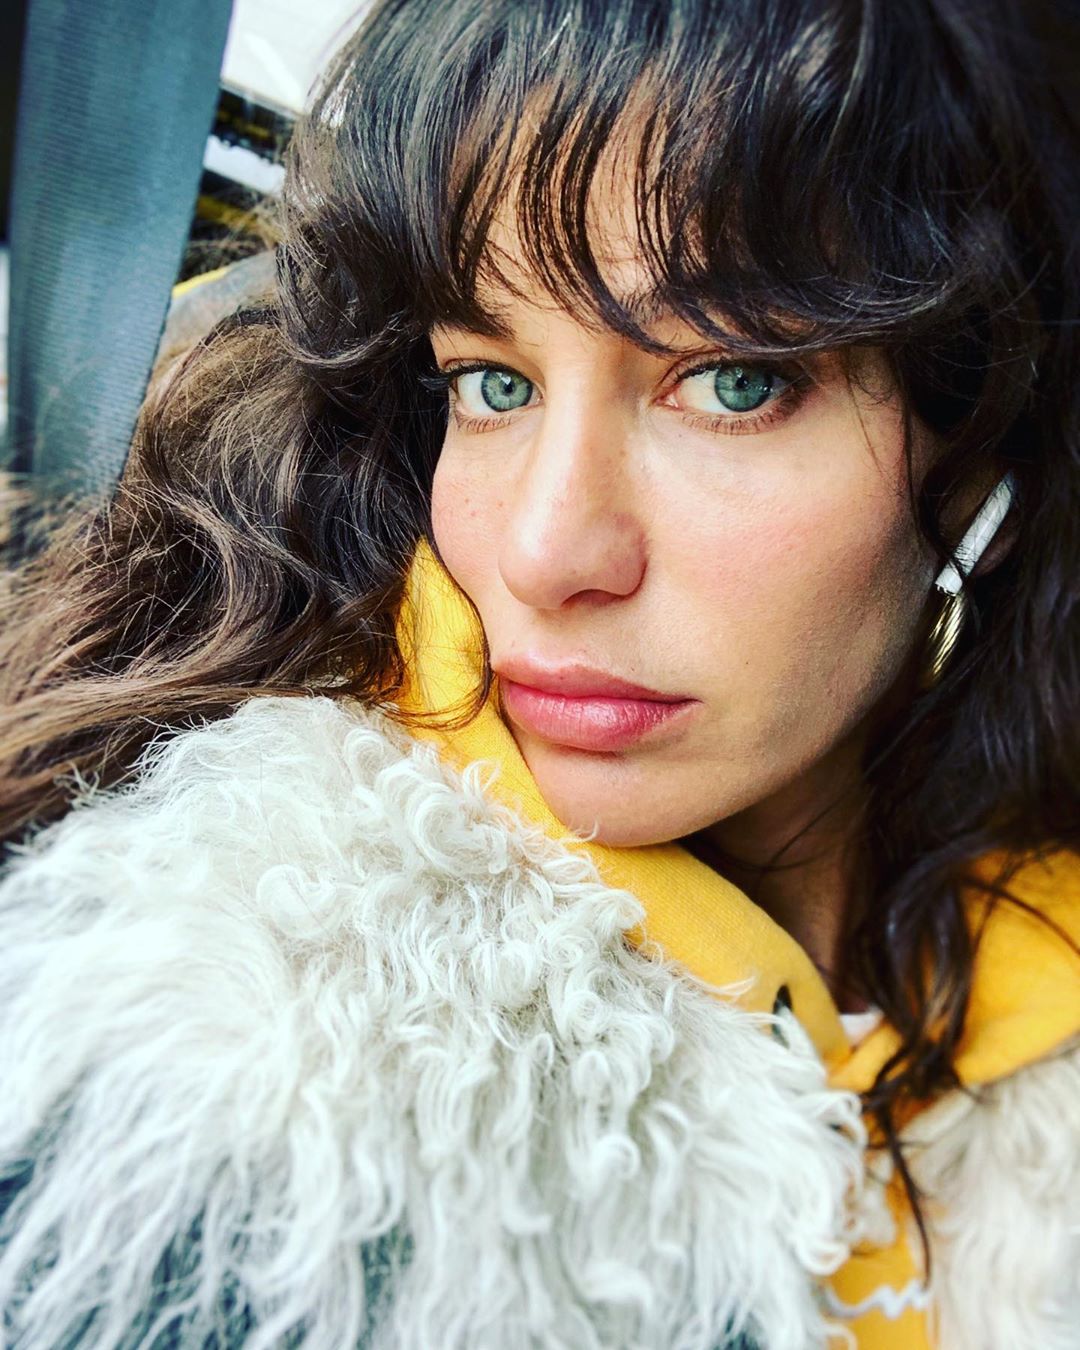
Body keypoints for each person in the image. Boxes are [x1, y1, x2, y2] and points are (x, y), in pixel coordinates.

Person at [0, 0, 1077, 1346]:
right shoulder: (251, 1089)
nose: (549, 550)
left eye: (733, 383)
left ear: (981, 455)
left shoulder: (1039, 967)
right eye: (491, 384)